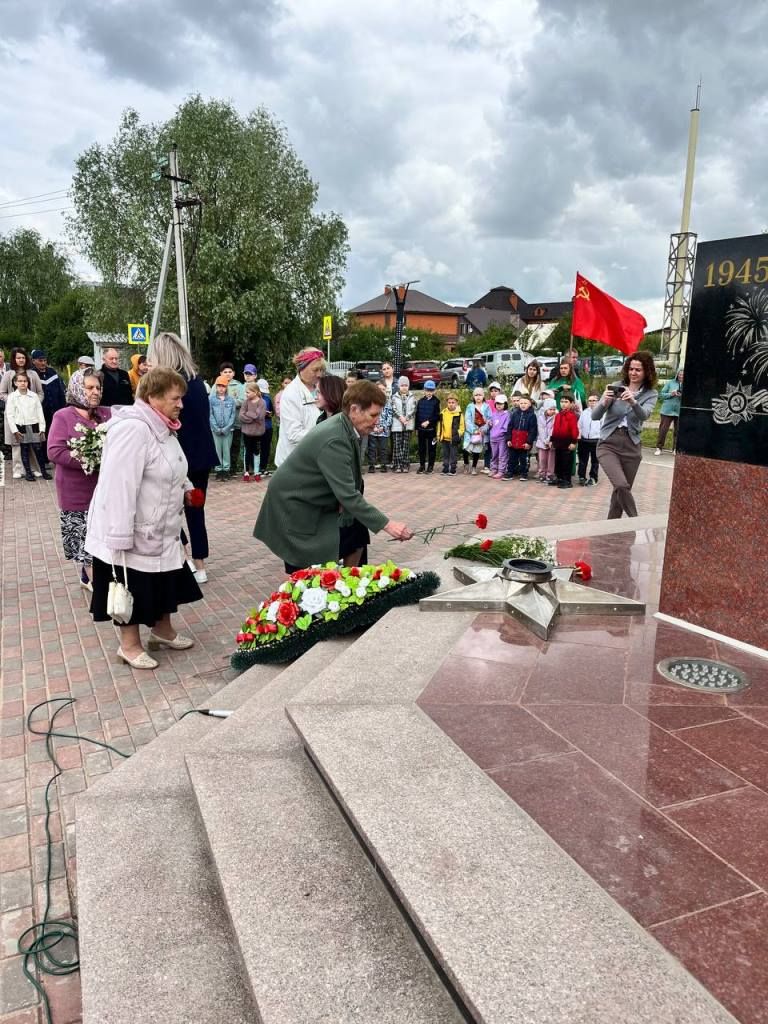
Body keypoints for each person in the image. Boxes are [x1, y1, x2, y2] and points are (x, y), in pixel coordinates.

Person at [85, 367, 203, 669]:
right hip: (131, 528)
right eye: (176, 398)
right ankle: (129, 646)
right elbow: (119, 485)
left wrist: (187, 488)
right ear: (153, 397)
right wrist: (120, 534)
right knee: (131, 585)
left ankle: (161, 631)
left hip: (159, 528)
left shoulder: (163, 426)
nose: (181, 404)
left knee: (164, 580)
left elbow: (172, 466)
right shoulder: (134, 429)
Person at [254, 381, 413, 571]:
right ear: (354, 410)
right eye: (373, 415)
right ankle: (328, 589)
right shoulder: (335, 439)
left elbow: (352, 484)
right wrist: (388, 525)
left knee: (356, 531)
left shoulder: (345, 427)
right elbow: (348, 495)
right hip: (294, 508)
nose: (377, 420)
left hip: (310, 501)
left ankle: (348, 582)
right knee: (307, 578)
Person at [146, 332, 218, 584]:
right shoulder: (197, 382)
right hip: (202, 454)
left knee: (170, 509)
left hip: (177, 458)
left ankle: (185, 557)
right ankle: (200, 563)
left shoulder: (169, 386)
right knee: (196, 509)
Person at [48, 370, 112, 590]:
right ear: (77, 388)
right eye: (90, 387)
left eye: (98, 387)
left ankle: (88, 577)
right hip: (75, 492)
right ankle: (97, 584)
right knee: (84, 539)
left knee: (104, 537)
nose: (95, 392)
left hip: (103, 490)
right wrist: (89, 460)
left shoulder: (106, 414)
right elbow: (54, 451)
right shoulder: (63, 416)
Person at [593, 351, 658, 518]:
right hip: (609, 443)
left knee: (619, 495)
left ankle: (610, 531)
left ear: (647, 372)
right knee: (621, 485)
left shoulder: (651, 394)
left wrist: (633, 402)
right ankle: (636, 521)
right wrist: (605, 402)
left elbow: (644, 415)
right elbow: (595, 416)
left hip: (631, 446)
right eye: (631, 369)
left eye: (638, 370)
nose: (633, 373)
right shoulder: (616, 386)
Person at [274, 348, 325, 466]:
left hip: (312, 459)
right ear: (301, 369)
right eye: (315, 370)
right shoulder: (291, 393)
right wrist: (325, 434)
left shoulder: (320, 388)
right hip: (293, 462)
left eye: (321, 370)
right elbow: (294, 435)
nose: (319, 374)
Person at [1, 347, 44, 478]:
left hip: (31, 414)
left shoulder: (33, 374)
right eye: (18, 357)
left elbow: (40, 392)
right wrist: (14, 402)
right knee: (17, 442)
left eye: (23, 357)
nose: (21, 360)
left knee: (32, 442)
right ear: (14, 359)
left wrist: (34, 402)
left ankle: (34, 468)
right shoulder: (8, 375)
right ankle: (18, 469)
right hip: (15, 414)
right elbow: (2, 393)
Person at [4, 371, 50, 481]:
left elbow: (40, 413)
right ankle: (28, 473)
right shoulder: (12, 397)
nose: (23, 383)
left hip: (34, 425)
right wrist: (15, 430)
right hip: (21, 426)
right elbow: (10, 415)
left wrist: (42, 428)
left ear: (28, 383)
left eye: (25, 381)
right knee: (24, 450)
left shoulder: (33, 396)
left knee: (37, 449)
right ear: (15, 383)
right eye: (20, 381)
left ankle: (43, 471)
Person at [30, 349, 66, 464]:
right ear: (34, 361)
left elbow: (60, 391)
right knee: (42, 435)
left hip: (55, 410)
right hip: (40, 411)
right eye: (40, 360)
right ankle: (43, 459)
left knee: (54, 433)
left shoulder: (52, 373)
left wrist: (63, 407)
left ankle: (54, 456)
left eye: (45, 360)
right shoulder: (32, 374)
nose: (43, 363)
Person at [209, 375, 236, 478]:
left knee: (226, 449)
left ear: (226, 387)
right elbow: (210, 414)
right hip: (215, 429)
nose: (221, 388)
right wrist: (215, 427)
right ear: (216, 387)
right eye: (219, 386)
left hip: (228, 430)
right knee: (217, 449)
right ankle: (218, 469)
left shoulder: (231, 400)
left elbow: (233, 415)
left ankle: (226, 469)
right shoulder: (211, 399)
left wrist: (226, 428)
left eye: (223, 386)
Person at [550, 391, 579, 488]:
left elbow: (574, 430)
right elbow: (555, 428)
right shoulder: (558, 415)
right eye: (562, 401)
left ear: (571, 403)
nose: (563, 404)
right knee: (558, 461)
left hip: (567, 443)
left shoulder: (572, 416)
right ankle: (559, 478)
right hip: (558, 442)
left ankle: (567, 481)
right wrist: (552, 440)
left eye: (566, 402)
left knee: (566, 462)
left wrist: (574, 442)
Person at [239, 381, 267, 481]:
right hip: (247, 431)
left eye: (248, 392)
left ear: (255, 392)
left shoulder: (262, 402)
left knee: (256, 451)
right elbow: (241, 416)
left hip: (258, 432)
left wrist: (248, 413)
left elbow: (259, 416)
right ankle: (246, 472)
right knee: (247, 451)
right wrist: (252, 416)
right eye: (246, 392)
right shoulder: (245, 402)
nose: (246, 394)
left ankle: (256, 472)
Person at [505, 394, 537, 480]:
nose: (523, 405)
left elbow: (533, 430)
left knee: (524, 459)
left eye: (525, 403)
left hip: (524, 442)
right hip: (514, 440)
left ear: (530, 404)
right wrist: (508, 439)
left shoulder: (532, 416)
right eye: (521, 403)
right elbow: (510, 427)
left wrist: (529, 442)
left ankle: (524, 474)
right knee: (512, 458)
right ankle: (510, 472)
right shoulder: (515, 414)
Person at [462, 387, 491, 475]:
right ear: (473, 396)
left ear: (483, 396)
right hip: (470, 432)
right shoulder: (470, 406)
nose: (478, 397)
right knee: (466, 449)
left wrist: (483, 430)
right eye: (476, 395)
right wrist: (473, 430)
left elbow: (489, 419)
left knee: (476, 451)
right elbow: (467, 420)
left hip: (481, 433)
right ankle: (466, 464)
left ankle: (474, 467)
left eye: (480, 395)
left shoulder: (487, 407)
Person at [655, 369, 683, 455]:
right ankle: (659, 448)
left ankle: (675, 448)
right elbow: (661, 394)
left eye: (683, 375)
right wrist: (672, 394)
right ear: (677, 375)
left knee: (678, 431)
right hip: (667, 410)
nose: (681, 376)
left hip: (679, 411)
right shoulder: (670, 383)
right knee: (663, 430)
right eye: (680, 374)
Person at [391, 375, 415, 472]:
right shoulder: (394, 397)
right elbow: (393, 409)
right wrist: (400, 417)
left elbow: (414, 409)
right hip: (397, 424)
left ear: (408, 386)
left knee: (405, 445)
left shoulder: (412, 397)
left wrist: (407, 418)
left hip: (408, 424)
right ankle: (397, 464)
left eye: (406, 385)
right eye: (402, 385)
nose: (404, 387)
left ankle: (405, 464)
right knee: (397, 446)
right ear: (399, 386)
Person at [367, 380, 392, 473]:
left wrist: (383, 427)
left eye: (383, 389)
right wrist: (373, 426)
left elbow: (389, 416)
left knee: (383, 448)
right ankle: (371, 465)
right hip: (372, 429)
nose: (381, 391)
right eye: (379, 389)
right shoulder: (370, 403)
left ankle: (384, 464)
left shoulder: (388, 402)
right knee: (372, 448)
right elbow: (368, 415)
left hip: (384, 431)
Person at [415, 379, 440, 473]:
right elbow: (417, 415)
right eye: (427, 390)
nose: (429, 393)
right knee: (421, 448)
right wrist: (416, 428)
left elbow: (437, 416)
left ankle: (430, 466)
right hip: (421, 430)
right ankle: (422, 465)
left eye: (431, 390)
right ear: (424, 390)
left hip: (431, 430)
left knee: (431, 449)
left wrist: (428, 422)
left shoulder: (436, 401)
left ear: (434, 391)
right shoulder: (420, 401)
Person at [577, 393, 602, 486]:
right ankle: (581, 476)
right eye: (590, 401)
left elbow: (604, 427)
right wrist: (579, 435)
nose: (591, 402)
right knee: (583, 460)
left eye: (594, 400)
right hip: (584, 440)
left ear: (598, 401)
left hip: (596, 440)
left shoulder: (602, 413)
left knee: (595, 461)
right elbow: (579, 425)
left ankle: (593, 477)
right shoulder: (584, 412)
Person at [437, 393, 464, 475]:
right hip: (444, 438)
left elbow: (462, 427)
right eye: (449, 402)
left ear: (456, 403)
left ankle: (453, 469)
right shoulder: (443, 413)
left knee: (453, 455)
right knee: (445, 454)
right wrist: (439, 435)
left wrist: (458, 434)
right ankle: (445, 468)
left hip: (453, 438)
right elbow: (440, 425)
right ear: (447, 403)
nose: (451, 404)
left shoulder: (459, 414)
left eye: (453, 402)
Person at [535, 397, 557, 482]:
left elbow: (553, 429)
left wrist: (549, 440)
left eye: (553, 409)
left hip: (551, 442)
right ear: (545, 409)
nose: (552, 411)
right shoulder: (540, 417)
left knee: (551, 459)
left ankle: (550, 474)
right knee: (542, 459)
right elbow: (540, 429)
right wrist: (544, 440)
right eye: (550, 409)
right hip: (542, 441)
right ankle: (542, 474)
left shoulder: (556, 417)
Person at [256, 379, 274, 476]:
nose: (262, 393)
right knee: (256, 448)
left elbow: (272, 411)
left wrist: (270, 414)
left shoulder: (267, 398)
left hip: (267, 426)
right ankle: (256, 468)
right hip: (256, 427)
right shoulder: (252, 398)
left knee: (266, 448)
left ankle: (263, 467)